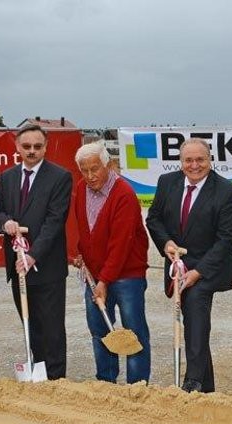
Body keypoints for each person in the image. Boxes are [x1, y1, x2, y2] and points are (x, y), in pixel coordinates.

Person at [146, 138, 232, 393]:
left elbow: (226, 239)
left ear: (210, 160)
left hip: (210, 265)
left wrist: (198, 273)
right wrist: (166, 243)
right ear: (181, 162)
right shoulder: (168, 183)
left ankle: (194, 381)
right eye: (188, 160)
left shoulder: (226, 191)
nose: (194, 165)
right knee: (192, 316)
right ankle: (205, 386)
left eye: (200, 159)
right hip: (178, 263)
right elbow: (153, 219)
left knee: (195, 306)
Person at [0, 124, 72, 380]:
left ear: (45, 148)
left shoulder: (60, 177)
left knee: (52, 327)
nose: (32, 151)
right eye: (26, 147)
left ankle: (56, 377)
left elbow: (54, 221)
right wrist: (5, 223)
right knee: (30, 322)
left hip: (46, 265)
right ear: (17, 147)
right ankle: (38, 370)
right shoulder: (7, 177)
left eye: (38, 147)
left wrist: (33, 254)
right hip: (17, 266)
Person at [72, 140, 150, 384]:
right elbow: (85, 230)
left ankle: (137, 386)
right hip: (94, 275)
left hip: (126, 275)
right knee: (99, 330)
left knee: (133, 330)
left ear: (109, 165)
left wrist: (104, 281)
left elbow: (121, 243)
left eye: (95, 168)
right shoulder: (80, 189)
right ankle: (106, 382)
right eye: (84, 170)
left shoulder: (123, 194)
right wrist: (80, 253)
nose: (90, 175)